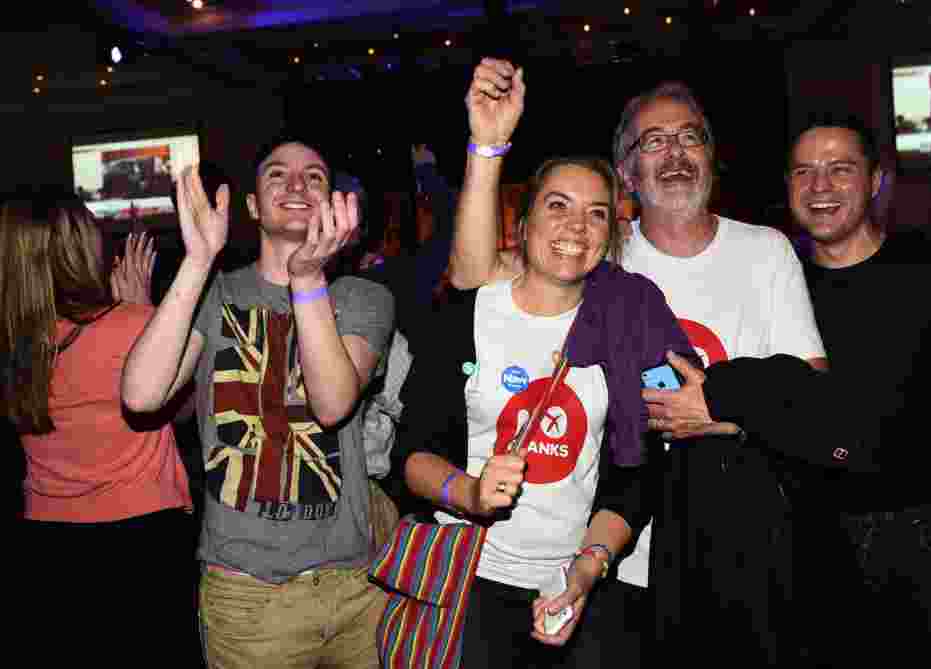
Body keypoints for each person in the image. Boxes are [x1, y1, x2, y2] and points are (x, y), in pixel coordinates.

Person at [448, 58, 827, 664]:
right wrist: (487, 147)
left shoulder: (765, 250)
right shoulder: (589, 257)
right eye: (654, 142)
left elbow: (812, 389)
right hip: (620, 555)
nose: (675, 153)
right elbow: (472, 274)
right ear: (627, 170)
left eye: (690, 137)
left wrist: (723, 412)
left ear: (712, 156)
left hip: (737, 546)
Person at [395, 65, 702, 667]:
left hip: (577, 582)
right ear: (524, 221)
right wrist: (473, 494)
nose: (575, 226)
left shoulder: (625, 319)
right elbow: (414, 453)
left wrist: (587, 570)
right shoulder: (468, 316)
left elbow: (633, 476)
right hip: (469, 582)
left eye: (595, 214)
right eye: (557, 206)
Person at [121, 134, 395, 668]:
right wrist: (199, 261)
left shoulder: (363, 297)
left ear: (336, 205)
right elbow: (140, 395)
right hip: (245, 596)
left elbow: (333, 402)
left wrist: (307, 279)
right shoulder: (216, 294)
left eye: (314, 177)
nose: (296, 184)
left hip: (352, 588)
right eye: (277, 175)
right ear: (250, 205)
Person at [785, 112, 931, 666]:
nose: (820, 187)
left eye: (839, 169)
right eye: (803, 172)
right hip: (820, 549)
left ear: (874, 182)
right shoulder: (779, 285)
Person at [2, 191, 194, 666]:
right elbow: (183, 412)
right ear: (80, 249)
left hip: (46, 547)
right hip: (142, 546)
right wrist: (148, 315)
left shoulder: (12, 343)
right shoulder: (132, 324)